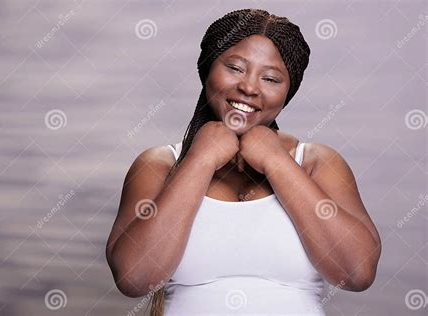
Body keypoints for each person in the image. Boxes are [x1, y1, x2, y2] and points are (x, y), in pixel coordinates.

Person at [106, 9, 381, 315]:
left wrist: (277, 161)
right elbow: (134, 279)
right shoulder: (158, 165)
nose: (249, 87)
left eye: (271, 78)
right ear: (208, 68)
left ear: (288, 91)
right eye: (235, 68)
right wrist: (200, 159)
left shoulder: (316, 163)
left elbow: (357, 274)